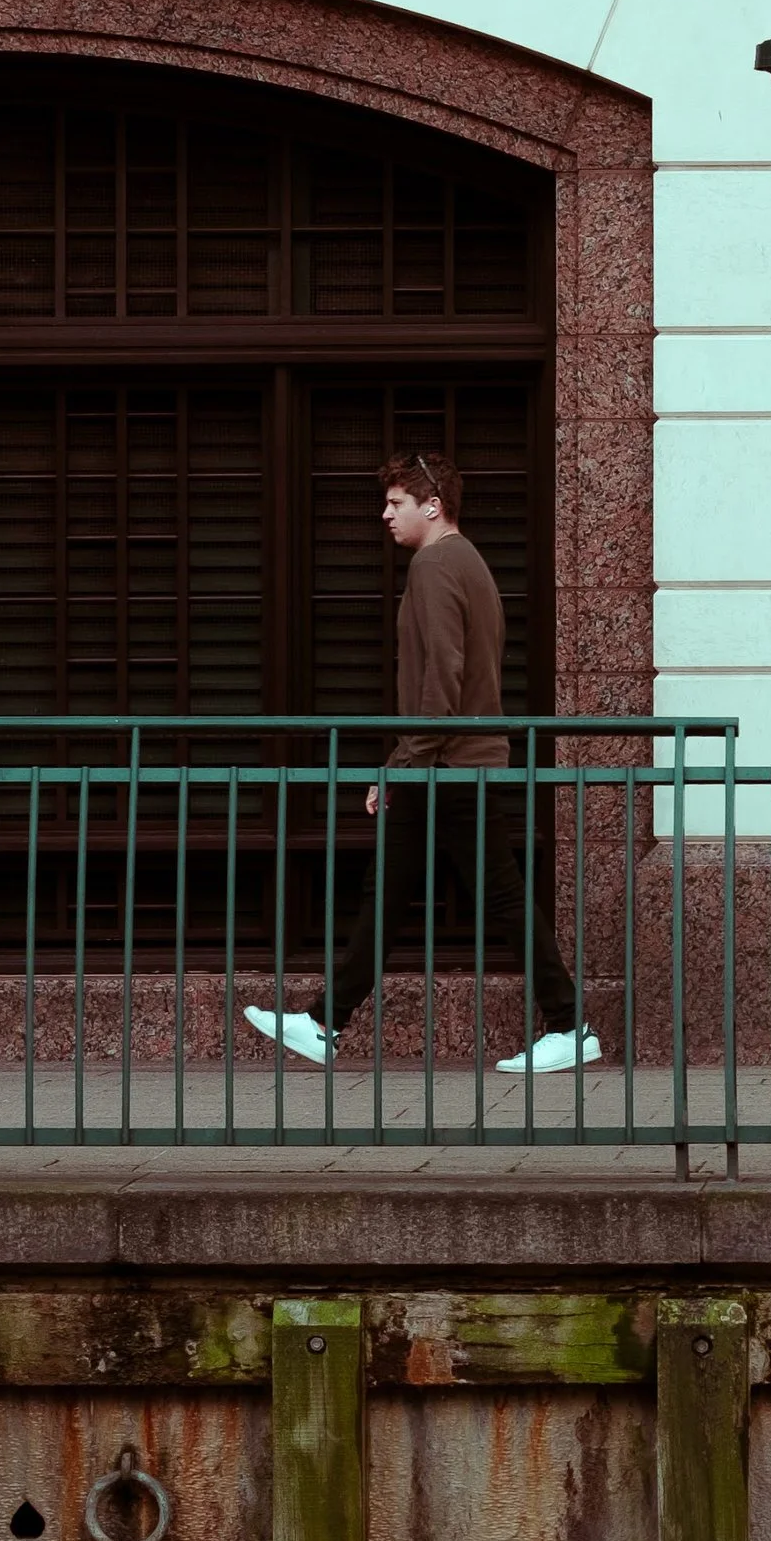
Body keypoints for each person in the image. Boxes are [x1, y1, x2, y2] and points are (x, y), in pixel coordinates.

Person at [244, 449, 598, 1076]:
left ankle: (570, 1024)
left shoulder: (435, 565)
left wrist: (406, 762)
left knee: (497, 897)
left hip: (448, 764)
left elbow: (444, 676)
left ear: (432, 506)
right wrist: (402, 760)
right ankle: (326, 1023)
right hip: (454, 759)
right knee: (397, 893)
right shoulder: (470, 563)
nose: (386, 514)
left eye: (396, 503)